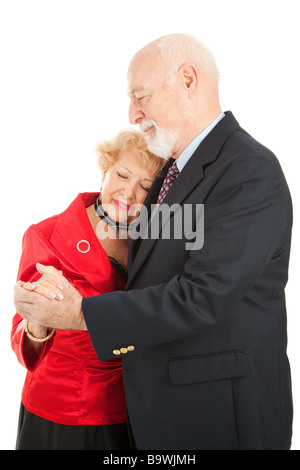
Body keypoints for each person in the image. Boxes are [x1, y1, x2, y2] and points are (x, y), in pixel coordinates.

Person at [14, 33, 293, 450]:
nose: (132, 112)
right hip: (141, 414)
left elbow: (201, 296)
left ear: (187, 79)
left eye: (140, 95)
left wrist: (81, 314)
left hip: (215, 416)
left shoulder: (248, 170)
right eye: (122, 176)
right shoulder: (176, 172)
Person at [11, 128, 165, 450]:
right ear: (105, 170)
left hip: (137, 410)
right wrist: (38, 320)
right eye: (122, 175)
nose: (129, 193)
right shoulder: (46, 235)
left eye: (145, 186)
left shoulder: (158, 240)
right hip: (65, 413)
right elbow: (27, 351)